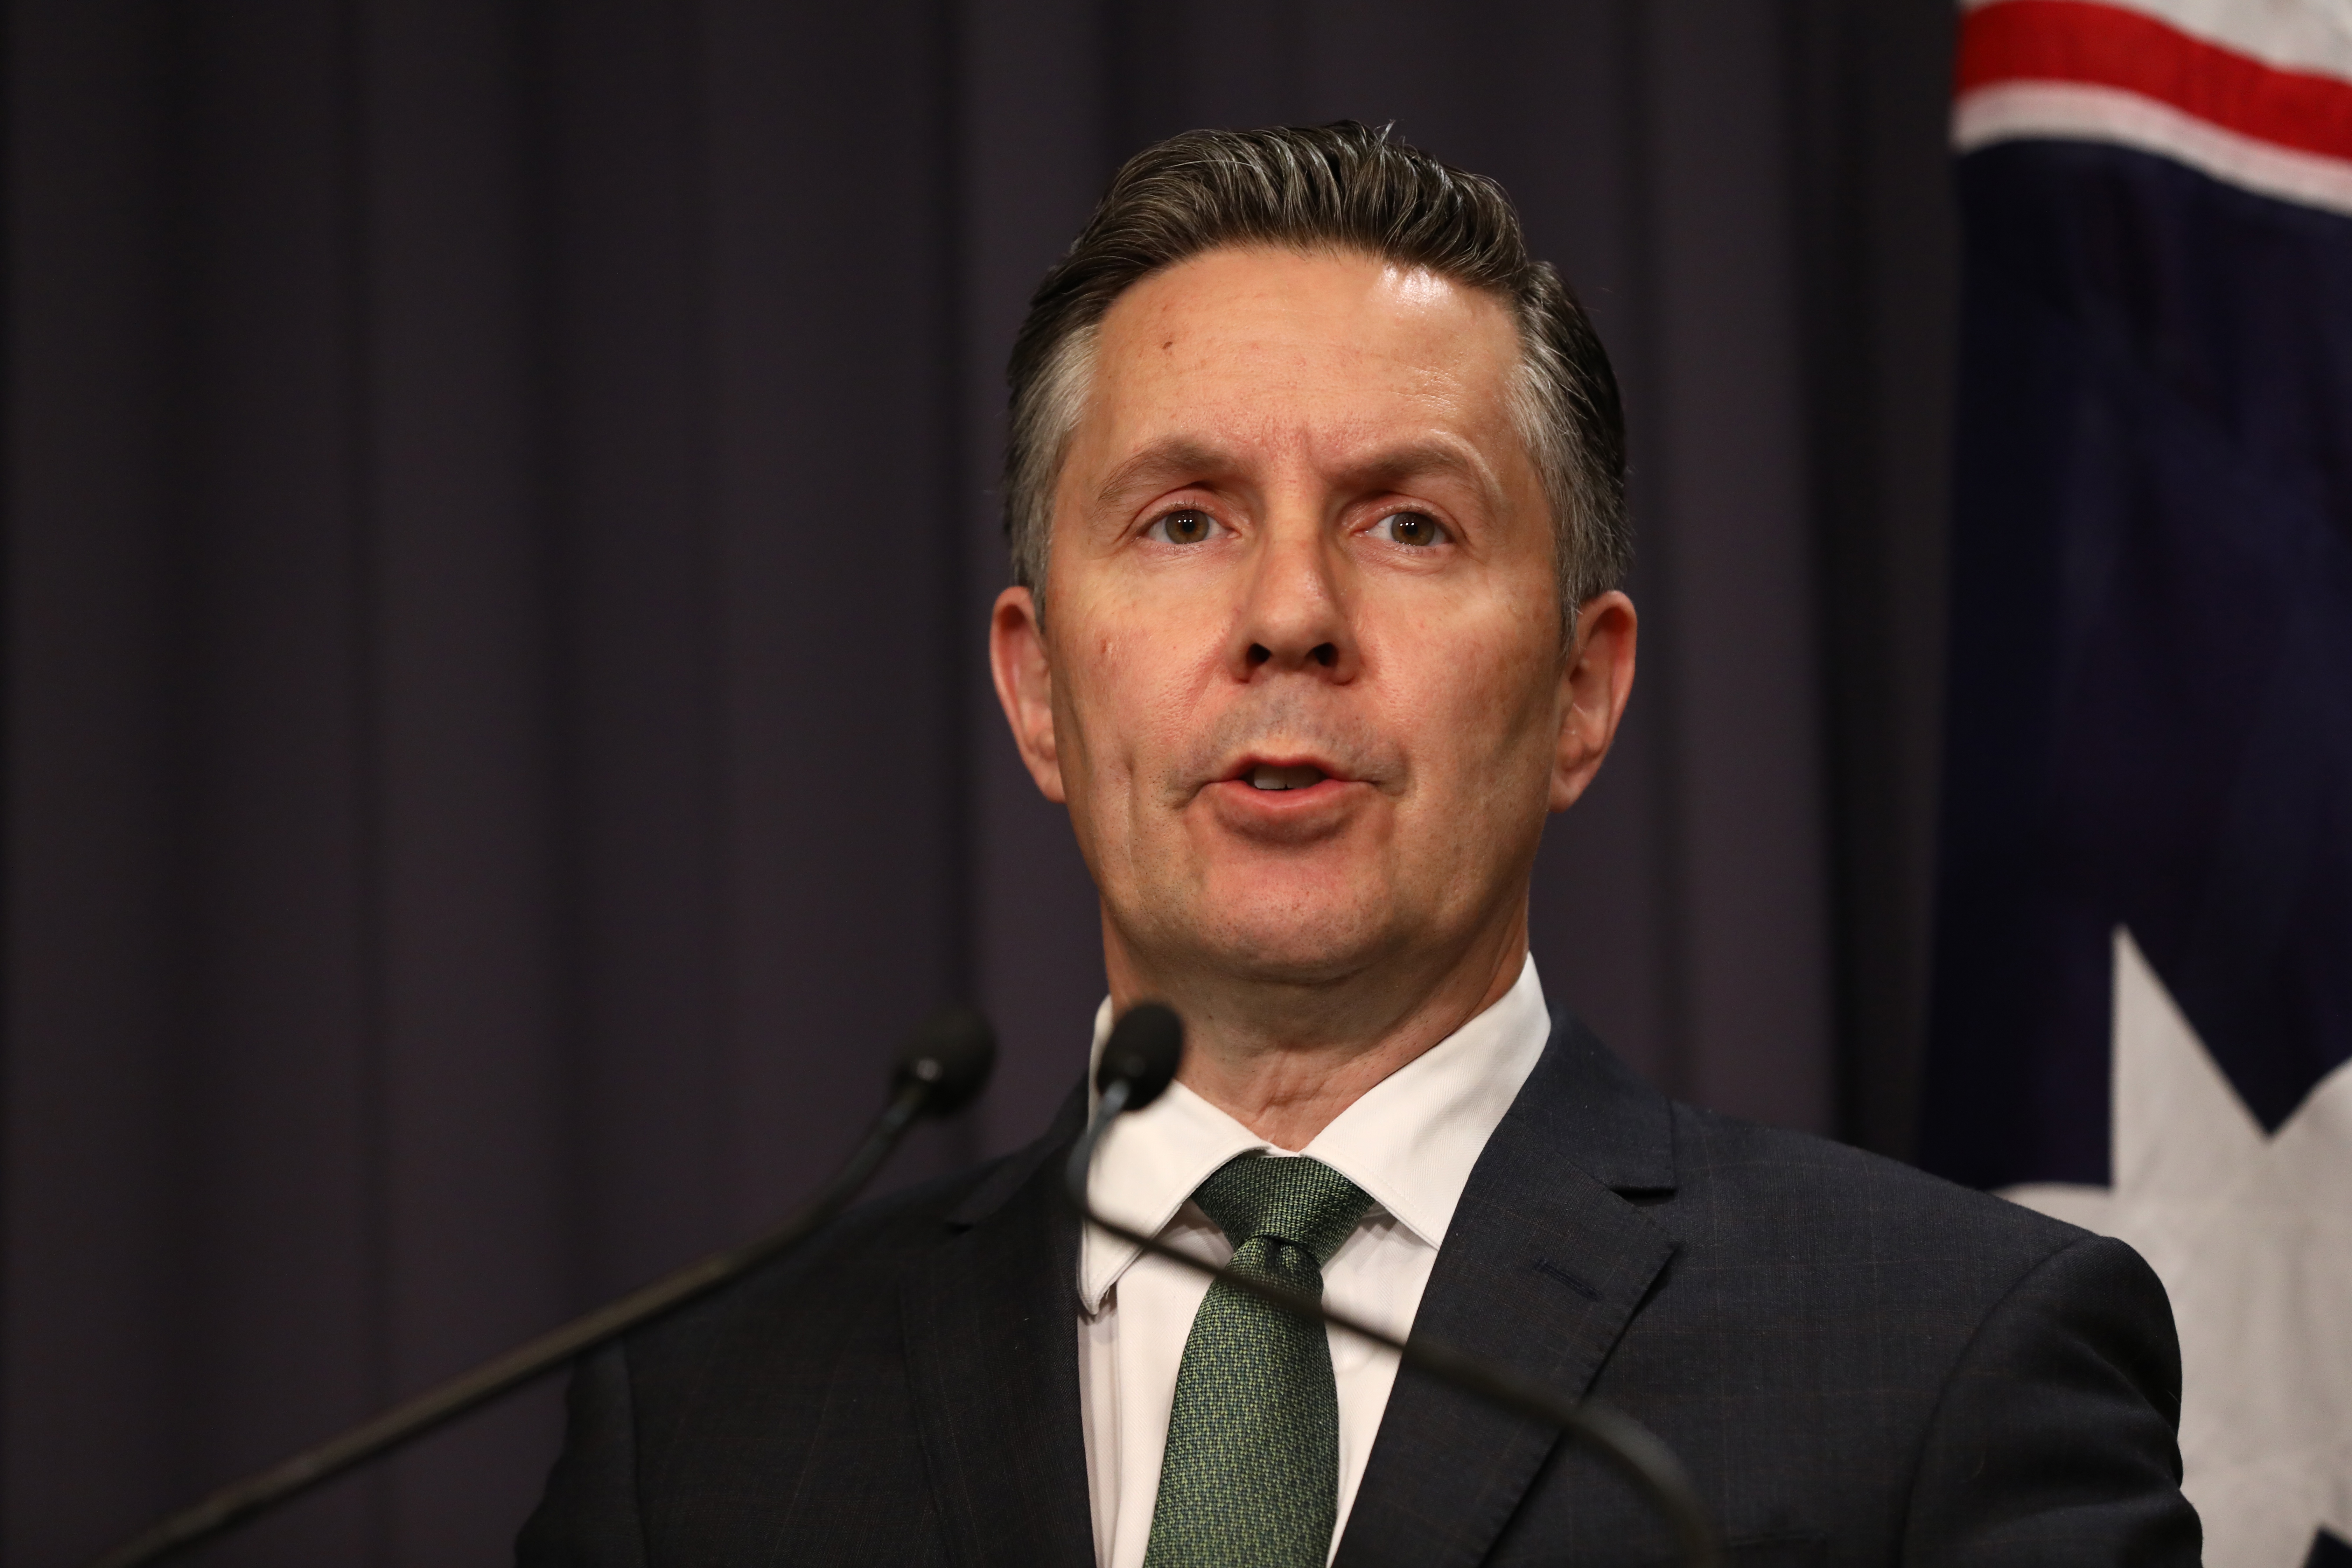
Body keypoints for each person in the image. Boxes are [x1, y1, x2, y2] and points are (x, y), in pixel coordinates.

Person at [517, 122, 2198, 1567]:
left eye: (1410, 522)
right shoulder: (703, 1430)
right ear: (1037, 689)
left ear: (1581, 692)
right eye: (1184, 520)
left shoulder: (1944, 1356)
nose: (1292, 617)